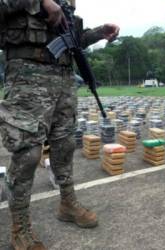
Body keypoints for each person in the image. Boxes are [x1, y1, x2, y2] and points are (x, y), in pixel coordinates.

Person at [0, 0, 119, 249]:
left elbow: (71, 38)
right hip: (27, 74)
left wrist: (99, 33)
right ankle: (20, 228)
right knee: (28, 152)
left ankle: (68, 203)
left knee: (64, 145)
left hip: (63, 77)